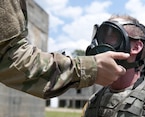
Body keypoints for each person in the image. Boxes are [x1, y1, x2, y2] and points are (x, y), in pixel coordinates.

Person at [0, 0, 130, 99]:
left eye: (112, 36)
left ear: (136, 46)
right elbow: (8, 56)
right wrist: (86, 68)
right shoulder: (95, 101)